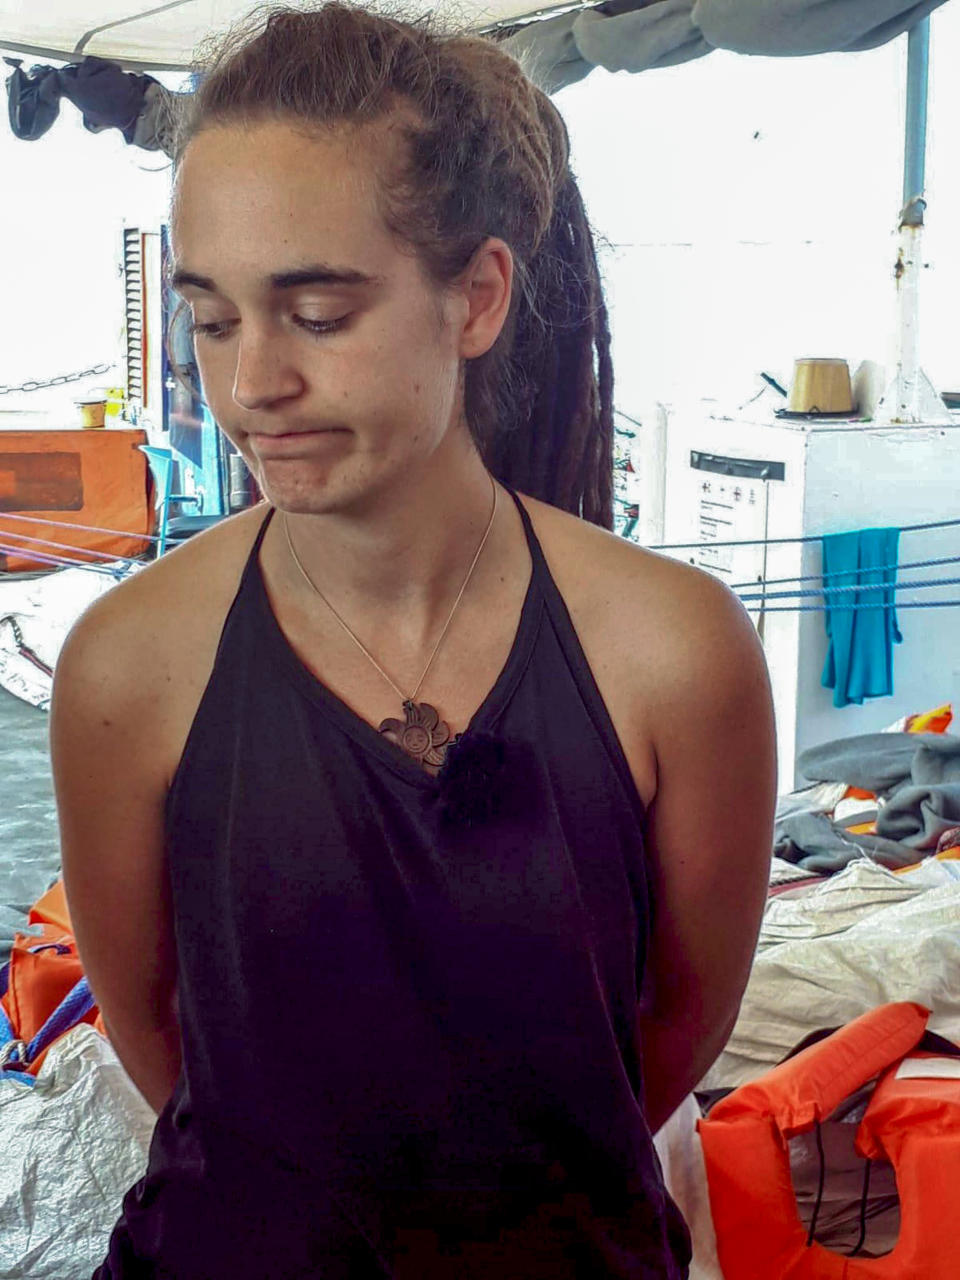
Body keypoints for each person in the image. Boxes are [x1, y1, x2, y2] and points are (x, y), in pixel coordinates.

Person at [50, 5, 778, 1276]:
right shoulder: (130, 663)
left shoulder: (673, 649)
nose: (250, 385)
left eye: (318, 313)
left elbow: (666, 1034)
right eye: (213, 320)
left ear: (478, 297)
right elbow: (163, 1033)